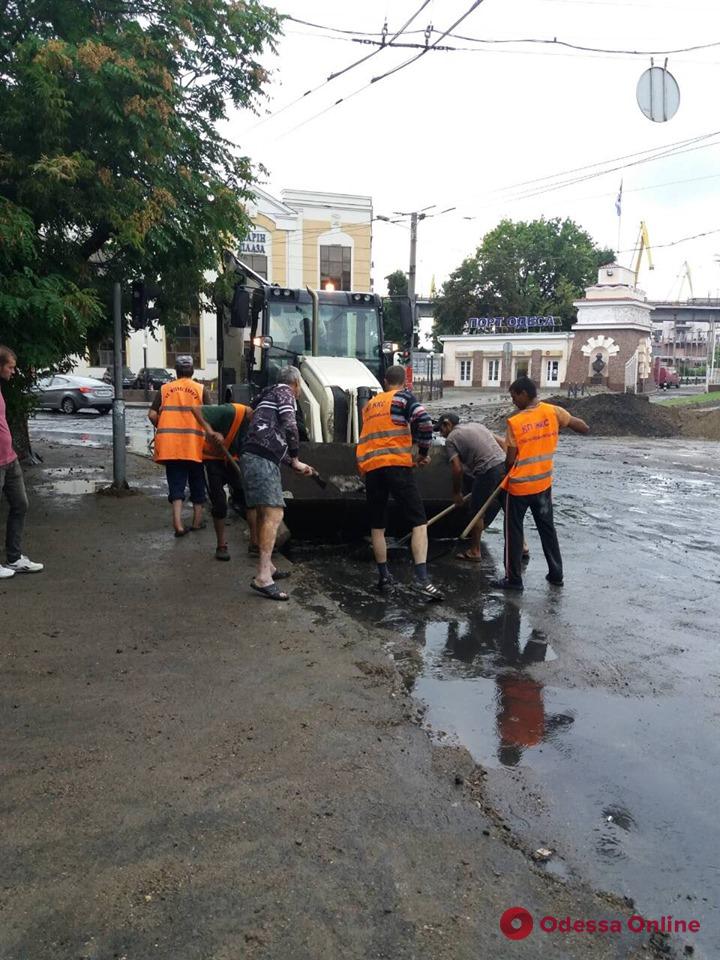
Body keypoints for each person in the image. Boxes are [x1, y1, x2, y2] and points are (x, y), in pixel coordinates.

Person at [492, 376, 589, 592]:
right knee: (547, 529)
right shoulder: (553, 412)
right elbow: (581, 426)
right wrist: (578, 426)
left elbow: (510, 460)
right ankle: (556, 574)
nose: (513, 401)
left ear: (523, 394)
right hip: (543, 485)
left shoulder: (515, 422)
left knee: (514, 532)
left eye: (514, 396)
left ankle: (513, 579)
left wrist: (506, 476)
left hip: (518, 488)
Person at [356, 364, 444, 600]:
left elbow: (365, 438)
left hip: (372, 469)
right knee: (419, 522)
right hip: (396, 465)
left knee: (378, 525)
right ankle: (422, 580)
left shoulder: (370, 406)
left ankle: (384, 577)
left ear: (385, 381)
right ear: (404, 382)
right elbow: (424, 422)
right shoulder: (403, 399)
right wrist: (423, 453)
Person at [241, 365, 313, 601]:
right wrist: (296, 456)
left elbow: (268, 434)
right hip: (261, 460)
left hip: (254, 456)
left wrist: (293, 465)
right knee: (275, 514)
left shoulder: (266, 395)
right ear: (296, 383)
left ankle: (268, 566)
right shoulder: (285, 393)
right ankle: (263, 576)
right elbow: (290, 426)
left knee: (264, 512)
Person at [436, 412, 527, 562]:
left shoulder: (451, 439)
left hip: (486, 471)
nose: (441, 434)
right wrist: (505, 465)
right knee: (508, 508)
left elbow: (457, 468)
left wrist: (457, 493)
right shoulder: (477, 426)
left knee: (476, 511)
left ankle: (475, 551)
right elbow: (504, 443)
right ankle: (522, 546)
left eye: (441, 429)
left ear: (448, 424)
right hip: (503, 467)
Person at [148, 355, 211, 537]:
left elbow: (152, 414)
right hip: (194, 446)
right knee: (197, 482)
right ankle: (197, 521)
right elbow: (210, 415)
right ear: (192, 370)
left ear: (176, 371)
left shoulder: (165, 389)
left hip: (171, 446)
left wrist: (163, 425)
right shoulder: (200, 389)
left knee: (176, 484)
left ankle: (178, 524)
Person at [0, 346, 43, 578]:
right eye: (10, 367)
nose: (13, 372)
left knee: (20, 504)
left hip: (9, 459)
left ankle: (14, 559)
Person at [191, 401, 254, 561]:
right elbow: (196, 409)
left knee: (250, 500)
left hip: (233, 460)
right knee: (219, 503)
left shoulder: (256, 424)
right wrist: (211, 432)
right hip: (212, 460)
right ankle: (221, 546)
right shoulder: (231, 411)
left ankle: (256, 543)